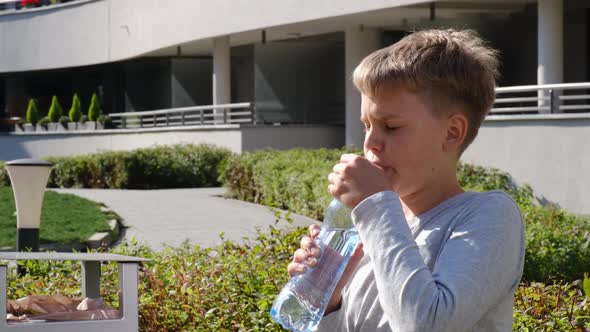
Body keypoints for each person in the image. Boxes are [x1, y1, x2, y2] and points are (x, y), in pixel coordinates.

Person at [287, 29, 525, 331]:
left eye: (391, 126)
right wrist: (329, 297)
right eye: (366, 126)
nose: (371, 143)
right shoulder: (378, 222)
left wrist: (375, 206)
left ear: (452, 132)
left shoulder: (488, 215)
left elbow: (425, 323)